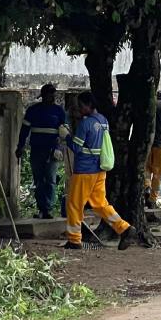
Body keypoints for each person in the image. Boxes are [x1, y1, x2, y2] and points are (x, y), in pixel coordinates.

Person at [63, 92, 133, 251]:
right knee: (100, 204)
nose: (79, 109)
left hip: (84, 171)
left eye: (81, 106)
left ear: (88, 105)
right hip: (100, 170)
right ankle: (124, 228)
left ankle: (74, 240)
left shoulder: (85, 124)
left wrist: (66, 136)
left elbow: (76, 148)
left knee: (74, 204)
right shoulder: (103, 120)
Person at [16, 83, 67, 219]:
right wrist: (20, 146)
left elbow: (64, 133)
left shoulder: (59, 111)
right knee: (38, 180)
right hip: (37, 150)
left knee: (50, 180)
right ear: (43, 96)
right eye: (49, 94)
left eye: (53, 94)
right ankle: (41, 208)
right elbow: (24, 130)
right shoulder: (33, 110)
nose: (52, 96)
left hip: (53, 151)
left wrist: (59, 148)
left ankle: (48, 209)